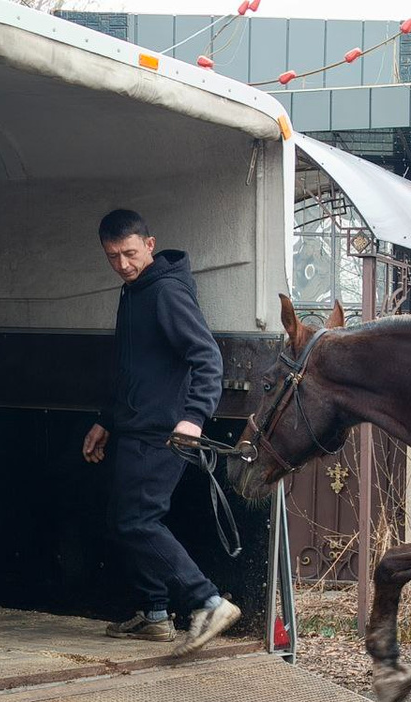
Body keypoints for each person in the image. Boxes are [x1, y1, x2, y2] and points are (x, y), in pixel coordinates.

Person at [83, 209, 240, 655]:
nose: (123, 264)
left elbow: (207, 358)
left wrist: (194, 417)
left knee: (137, 520)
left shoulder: (167, 290)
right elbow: (130, 368)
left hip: (164, 430)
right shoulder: (133, 290)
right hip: (134, 425)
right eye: (113, 257)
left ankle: (207, 601)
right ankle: (154, 614)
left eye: (130, 253)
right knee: (124, 520)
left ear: (149, 245)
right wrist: (106, 420)